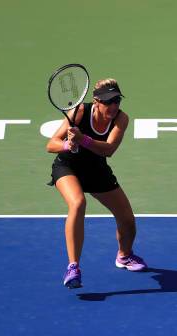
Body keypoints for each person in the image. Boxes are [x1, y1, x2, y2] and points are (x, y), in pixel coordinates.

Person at [46, 79, 147, 289]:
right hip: (68, 168)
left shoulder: (122, 119)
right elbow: (51, 144)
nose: (113, 106)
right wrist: (67, 144)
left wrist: (83, 140)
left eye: (117, 100)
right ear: (97, 101)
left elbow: (109, 149)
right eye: (108, 101)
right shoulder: (80, 112)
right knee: (78, 203)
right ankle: (73, 267)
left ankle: (124, 256)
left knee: (127, 220)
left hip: (96, 170)